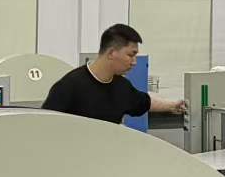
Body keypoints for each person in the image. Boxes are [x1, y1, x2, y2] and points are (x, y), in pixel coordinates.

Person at [41, 24, 187, 122]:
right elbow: (44, 125)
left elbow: (145, 102)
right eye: (131, 55)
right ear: (112, 53)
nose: (134, 62)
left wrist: (172, 105)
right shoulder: (68, 86)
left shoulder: (122, 87)